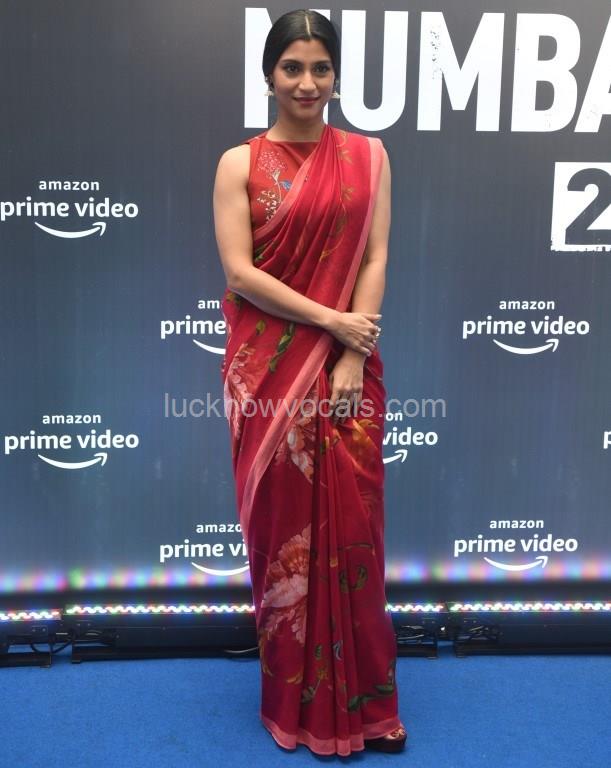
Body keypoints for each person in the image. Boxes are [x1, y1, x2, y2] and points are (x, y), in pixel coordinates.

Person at [213, 9, 407, 757]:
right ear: (268, 75)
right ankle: (292, 704)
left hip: (349, 368)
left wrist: (352, 352)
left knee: (357, 536)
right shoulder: (239, 164)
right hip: (268, 374)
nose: (306, 82)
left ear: (335, 76)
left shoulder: (368, 156)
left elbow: (374, 257)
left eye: (319, 68)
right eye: (291, 67)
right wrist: (333, 322)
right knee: (284, 541)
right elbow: (240, 273)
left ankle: (369, 708)